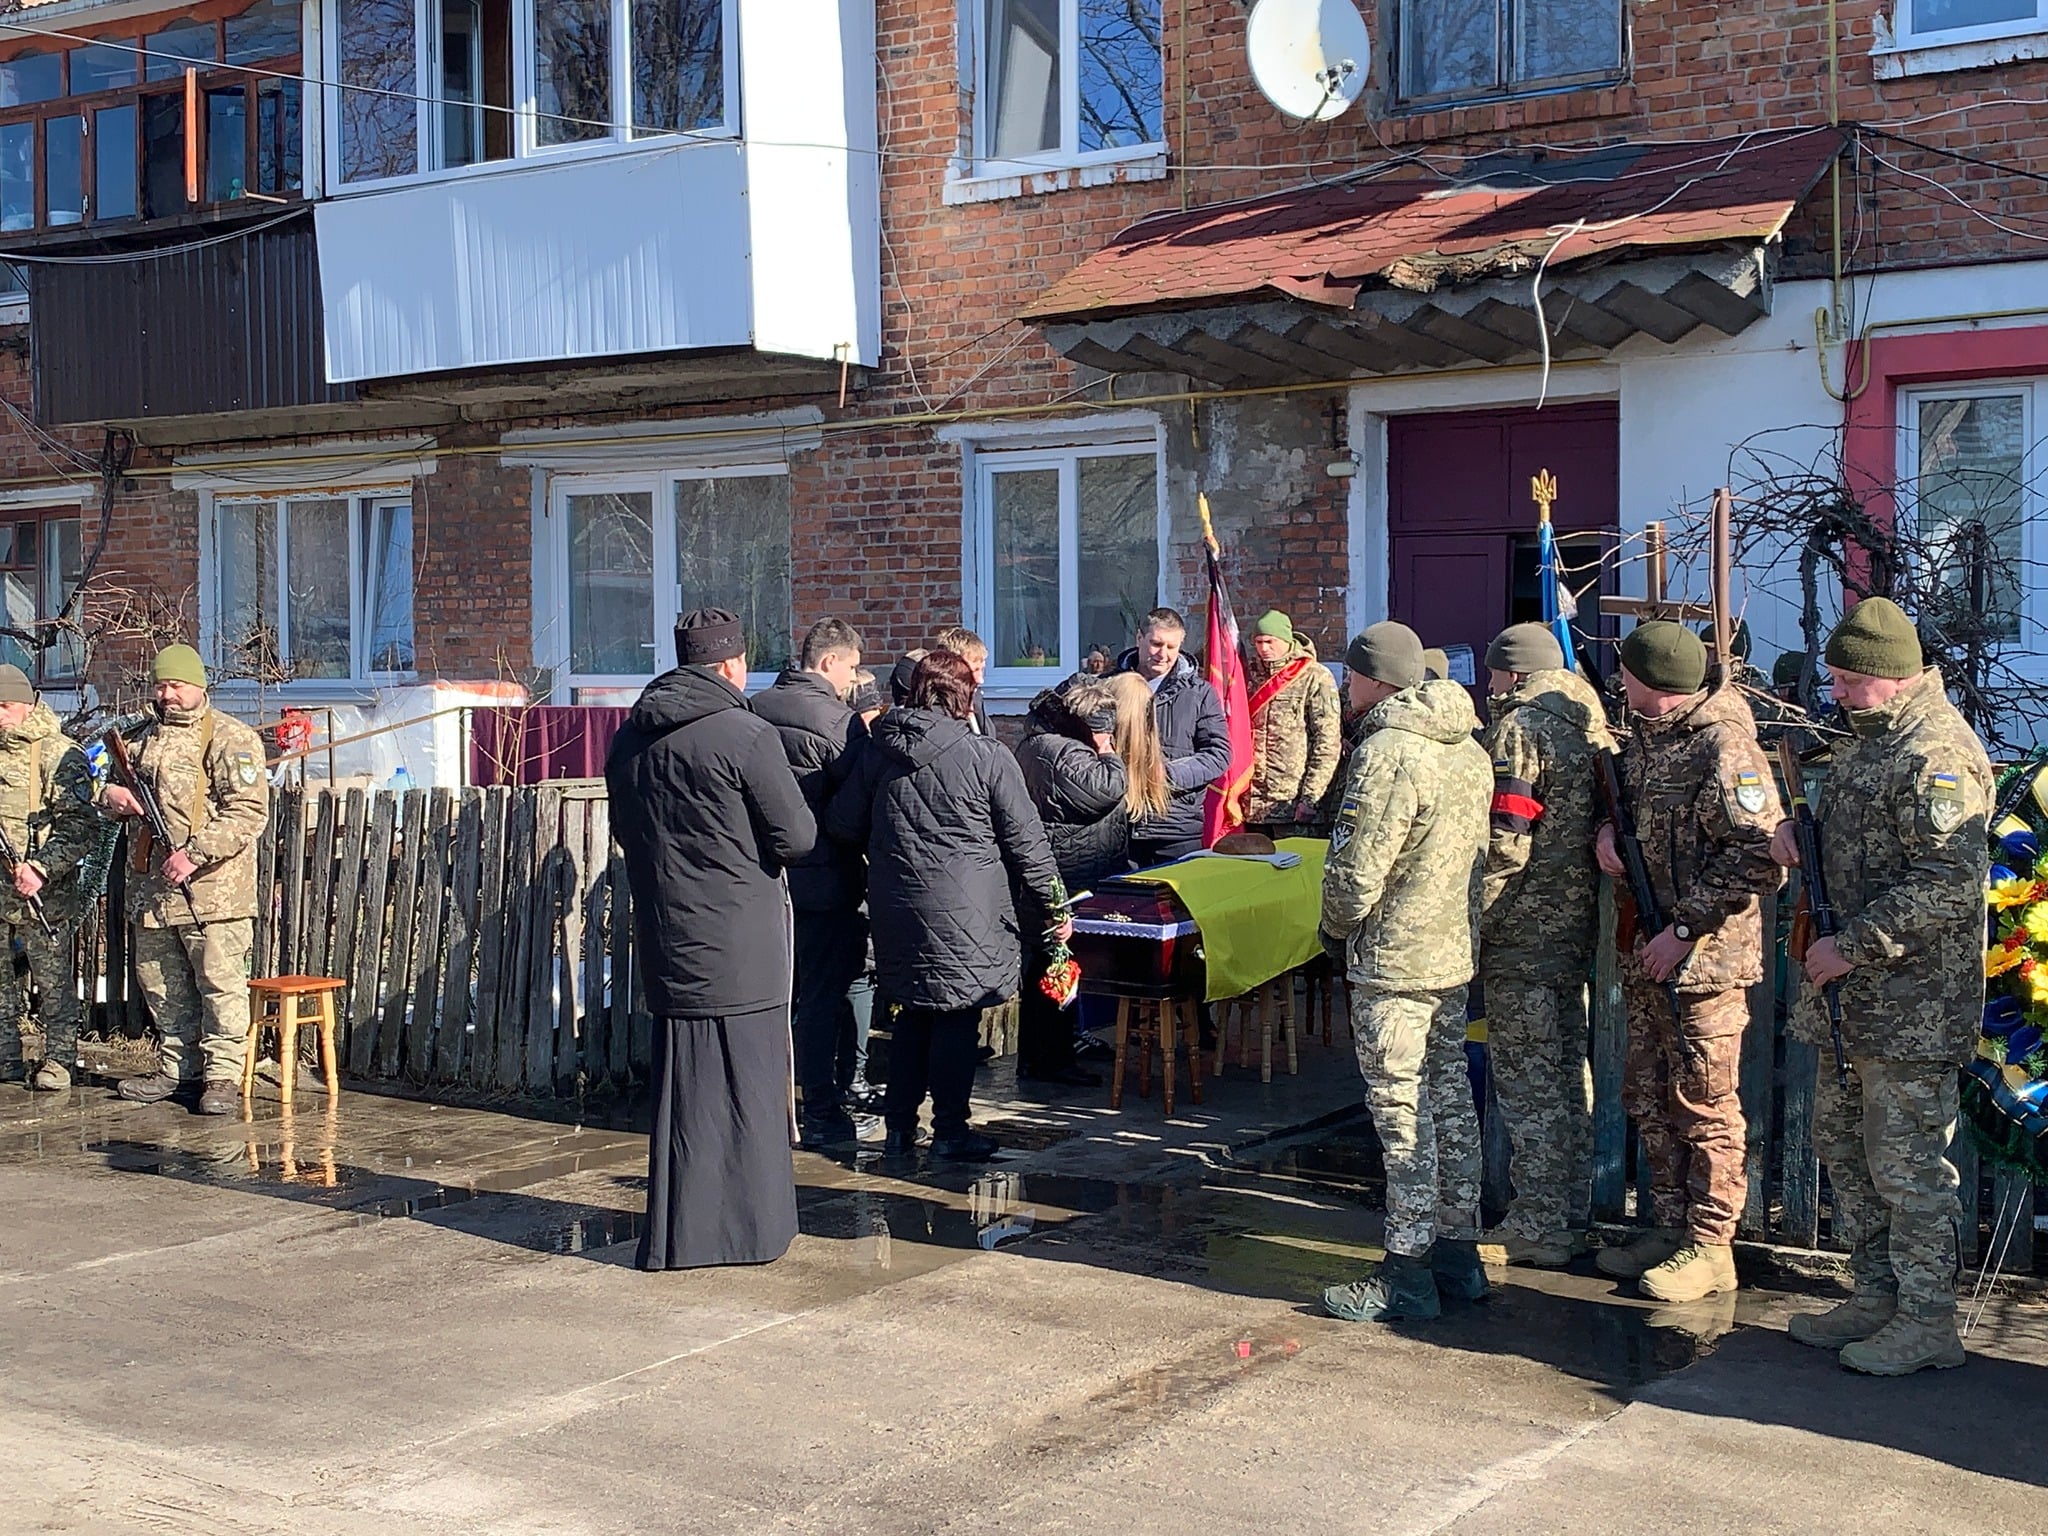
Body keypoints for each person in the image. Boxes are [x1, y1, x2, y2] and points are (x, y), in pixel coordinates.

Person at [1772, 599, 1992, 1376]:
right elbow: (1859, 847)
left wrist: (1854, 945)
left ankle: (1928, 1321)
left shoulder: (1935, 750)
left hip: (1910, 1005)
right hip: (1852, 1002)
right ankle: (1877, 1296)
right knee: (1845, 1151)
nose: (1834, 691)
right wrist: (1797, 838)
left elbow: (1949, 880)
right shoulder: (1872, 741)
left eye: (1846, 679)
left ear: (1889, 675)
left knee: (1907, 1167)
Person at [605, 608, 816, 1270]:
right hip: (742, 942)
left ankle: (683, 1236)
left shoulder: (629, 738)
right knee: (750, 1093)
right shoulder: (746, 735)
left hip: (670, 936)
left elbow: (625, 831)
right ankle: (751, 1233)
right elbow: (797, 837)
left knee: (687, 1095)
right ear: (730, 665)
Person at [1594, 621, 1783, 1303]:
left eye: (1627, 671)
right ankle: (1669, 1227)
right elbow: (1637, 819)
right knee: (1648, 1097)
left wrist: (1683, 927)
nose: (1619, 682)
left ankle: (1711, 1246)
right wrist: (1607, 833)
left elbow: (1760, 854)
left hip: (1704, 963)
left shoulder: (1722, 746)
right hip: (1649, 953)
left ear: (1656, 682)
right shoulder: (1650, 740)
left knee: (1706, 1105)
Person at [1317, 622, 1492, 1323]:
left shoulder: (1389, 750)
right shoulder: (1468, 746)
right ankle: (1458, 1253)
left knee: (1402, 1113)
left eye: (1352, 674)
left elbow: (1357, 869)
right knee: (1449, 1102)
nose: (1346, 686)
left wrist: (1334, 930)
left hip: (1394, 961)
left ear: (1376, 679)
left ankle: (1407, 1271)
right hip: (1449, 953)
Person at [828, 651, 1067, 1161]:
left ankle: (899, 1128)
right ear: (964, 696)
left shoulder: (878, 752)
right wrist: (1056, 907)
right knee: (957, 1016)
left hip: (898, 908)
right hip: (968, 912)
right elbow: (1027, 842)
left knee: (913, 1015)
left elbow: (843, 824)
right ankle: (951, 1131)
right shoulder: (986, 756)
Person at [1475, 624, 1615, 1266]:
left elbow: (1507, 836)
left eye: (1493, 673)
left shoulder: (1521, 728)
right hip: (1574, 924)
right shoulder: (1590, 721)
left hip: (1522, 927)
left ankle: (1539, 1222)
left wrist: (1473, 915)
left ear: (1512, 673)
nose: (1489, 685)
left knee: (1529, 1078)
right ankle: (1569, 1208)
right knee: (1564, 1068)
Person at [110, 645, 270, 1117]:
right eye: (161, 685)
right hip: (152, 893)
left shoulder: (229, 737)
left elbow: (248, 811)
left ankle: (221, 1077)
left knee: (220, 985)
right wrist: (111, 795)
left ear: (198, 685)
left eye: (176, 685)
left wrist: (194, 854)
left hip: (213, 893)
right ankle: (178, 1068)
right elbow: (100, 780)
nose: (167, 695)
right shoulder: (139, 738)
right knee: (161, 985)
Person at [751, 617, 870, 1147]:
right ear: (828, 662)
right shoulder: (840, 724)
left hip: (765, 880)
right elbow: (856, 809)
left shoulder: (753, 709)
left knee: (773, 997)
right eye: (851, 667)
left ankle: (767, 1106)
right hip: (825, 880)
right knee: (823, 998)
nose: (853, 680)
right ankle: (821, 1108)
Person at [1013, 677, 1149, 1086]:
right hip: (1067, 875)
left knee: (1051, 967)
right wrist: (1107, 749)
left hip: (1061, 871)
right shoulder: (1061, 752)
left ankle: (1046, 1055)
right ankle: (1051, 1060)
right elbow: (1105, 789)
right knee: (1054, 967)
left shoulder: (1044, 743)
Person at [0, 666, 99, 1091]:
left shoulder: (58, 753)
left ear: (27, 705)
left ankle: (60, 1058)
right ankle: (5, 1056)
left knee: (53, 983)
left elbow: (81, 826)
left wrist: (41, 867)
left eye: (5, 706)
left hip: (44, 894)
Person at [1117, 608, 1229, 865]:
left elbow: (1219, 754)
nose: (1163, 654)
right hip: (1118, 825)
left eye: (1171, 647)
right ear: (1139, 638)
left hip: (1175, 828)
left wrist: (1166, 775)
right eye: (1156, 644)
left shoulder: (1200, 693)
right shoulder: (1110, 685)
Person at [1244, 610, 1341, 839]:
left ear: (1286, 640)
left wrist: (1311, 797)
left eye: (1270, 641)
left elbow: (1327, 742)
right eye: (1258, 642)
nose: (1264, 648)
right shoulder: (1248, 675)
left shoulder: (1314, 676)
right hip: (1250, 806)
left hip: (1292, 805)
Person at [933, 626, 992, 734]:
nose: (980, 680)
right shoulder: (932, 716)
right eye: (973, 671)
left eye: (982, 669)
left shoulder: (975, 702)